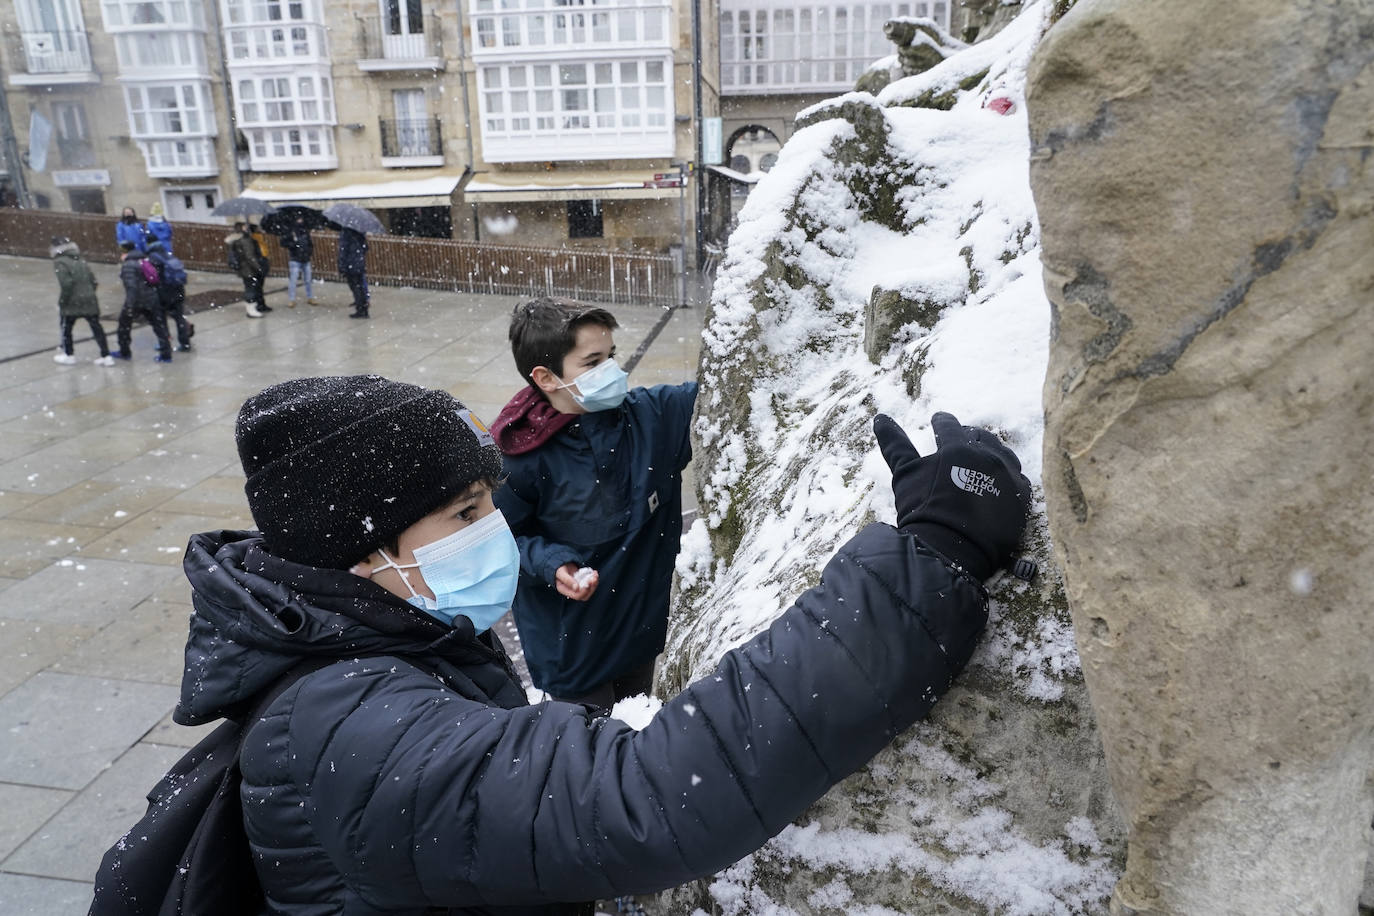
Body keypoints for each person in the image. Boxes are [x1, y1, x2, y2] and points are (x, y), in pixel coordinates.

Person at [173, 374, 1030, 915]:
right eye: (466, 513)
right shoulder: (346, 723)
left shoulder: (355, 646)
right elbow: (646, 797)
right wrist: (935, 556)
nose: (495, 527)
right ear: (367, 552)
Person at [490, 297, 697, 707]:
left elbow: (726, 389)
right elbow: (497, 540)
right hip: (573, 652)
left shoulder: (650, 419)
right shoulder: (520, 457)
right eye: (593, 362)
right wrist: (551, 564)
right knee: (589, 760)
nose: (612, 371)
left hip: (641, 634)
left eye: (611, 356)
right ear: (547, 378)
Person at [49, 236, 114, 366]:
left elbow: (66, 284)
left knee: (66, 328)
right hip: (89, 299)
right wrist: (87, 293)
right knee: (96, 327)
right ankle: (106, 355)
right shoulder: (80, 260)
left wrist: (62, 302)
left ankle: (69, 354)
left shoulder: (60, 262)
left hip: (72, 302)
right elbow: (93, 281)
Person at [113, 240, 172, 363]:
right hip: (151, 298)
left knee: (124, 326)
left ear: (125, 252)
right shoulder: (144, 259)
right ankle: (166, 354)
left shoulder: (128, 264)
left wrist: (129, 305)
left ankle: (124, 352)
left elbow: (132, 287)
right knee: (158, 326)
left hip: (137, 300)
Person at [145, 237, 193, 352]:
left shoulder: (152, 258)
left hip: (163, 292)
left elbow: (152, 278)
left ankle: (165, 343)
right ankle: (185, 343)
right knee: (179, 317)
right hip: (178, 290)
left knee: (161, 318)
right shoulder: (168, 254)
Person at [226, 220, 271, 318]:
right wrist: (258, 267)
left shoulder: (236, 240)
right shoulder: (245, 240)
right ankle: (251, 310)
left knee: (251, 287)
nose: (247, 227)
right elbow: (250, 256)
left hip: (244, 268)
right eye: (245, 226)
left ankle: (253, 308)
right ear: (242, 228)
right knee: (251, 288)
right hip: (249, 269)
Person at [281, 212, 318, 307]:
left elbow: (310, 244)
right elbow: (283, 243)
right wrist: (293, 244)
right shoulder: (291, 232)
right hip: (295, 259)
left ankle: (310, 297)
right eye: (298, 219)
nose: (300, 221)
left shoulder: (305, 231)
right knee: (293, 280)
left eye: (301, 219)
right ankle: (291, 299)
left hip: (305, 259)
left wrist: (309, 252)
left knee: (308, 280)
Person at [338, 226, 369, 318]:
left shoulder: (345, 233)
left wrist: (341, 266)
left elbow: (343, 250)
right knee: (360, 287)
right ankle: (364, 309)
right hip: (360, 264)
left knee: (355, 288)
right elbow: (365, 248)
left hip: (350, 264)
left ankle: (360, 310)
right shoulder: (360, 232)